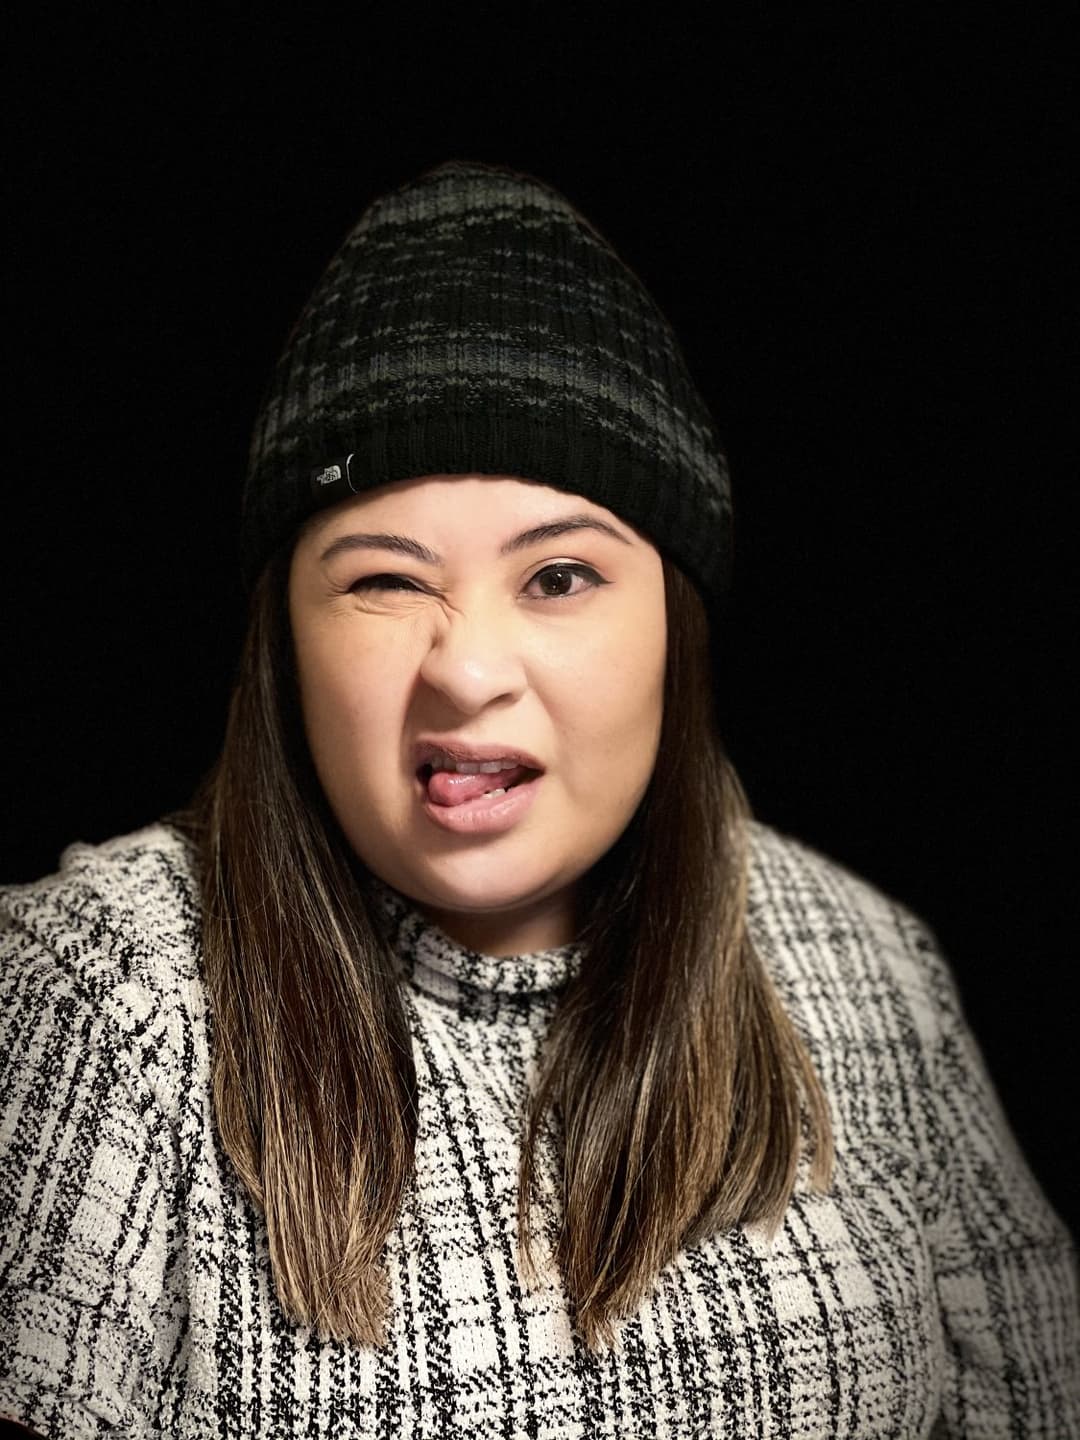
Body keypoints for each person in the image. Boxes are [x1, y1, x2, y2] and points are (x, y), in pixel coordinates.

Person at [0, 159, 1076, 1439]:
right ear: (282, 639)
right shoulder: (102, 994)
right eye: (385, 581)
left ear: (674, 625)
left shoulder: (870, 967)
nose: (464, 666)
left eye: (560, 576)